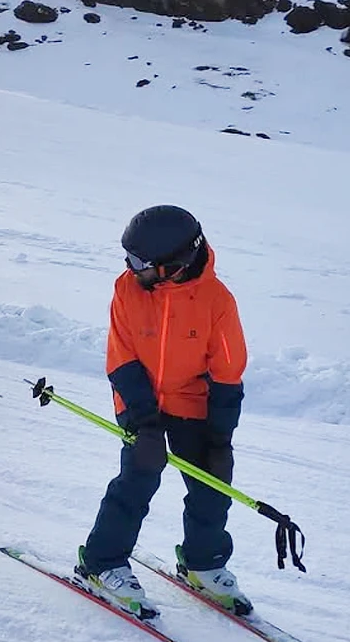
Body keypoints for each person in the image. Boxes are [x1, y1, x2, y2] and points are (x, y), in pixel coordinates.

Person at [75, 205, 249, 620]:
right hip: (139, 400)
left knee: (212, 480)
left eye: (141, 263)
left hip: (193, 401)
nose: (131, 269)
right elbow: (121, 359)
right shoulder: (128, 290)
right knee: (139, 475)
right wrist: (145, 424)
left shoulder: (217, 302)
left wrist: (220, 439)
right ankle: (101, 562)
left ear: (175, 265)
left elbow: (227, 373)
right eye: (129, 259)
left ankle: (202, 562)